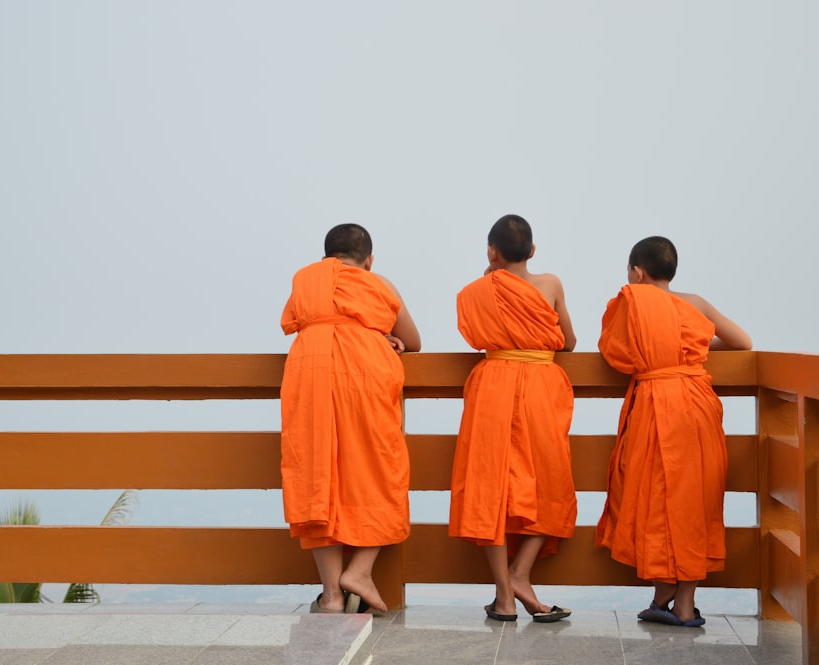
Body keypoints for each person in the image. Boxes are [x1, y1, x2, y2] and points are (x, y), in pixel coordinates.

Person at [595, 235, 753, 627]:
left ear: (637, 271)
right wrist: (692, 350)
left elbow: (614, 354)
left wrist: (662, 355)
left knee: (657, 499)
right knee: (694, 499)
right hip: (697, 403)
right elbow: (743, 342)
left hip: (655, 402)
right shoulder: (695, 303)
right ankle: (681, 602)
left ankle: (664, 595)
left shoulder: (635, 303)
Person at [280, 223, 421, 614]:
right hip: (365, 372)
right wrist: (383, 336)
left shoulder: (305, 279)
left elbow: (303, 321)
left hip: (310, 371)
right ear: (369, 260)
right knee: (379, 467)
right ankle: (359, 570)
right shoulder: (379, 282)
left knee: (315, 472)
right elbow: (415, 340)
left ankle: (331, 595)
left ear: (325, 257)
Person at [448, 214, 577, 623]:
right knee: (551, 481)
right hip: (541, 385)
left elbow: (474, 336)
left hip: (493, 386)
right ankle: (519, 575)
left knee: (490, 488)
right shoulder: (551, 284)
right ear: (533, 251)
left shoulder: (476, 291)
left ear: (491, 252)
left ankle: (508, 591)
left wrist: (490, 279)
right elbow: (569, 342)